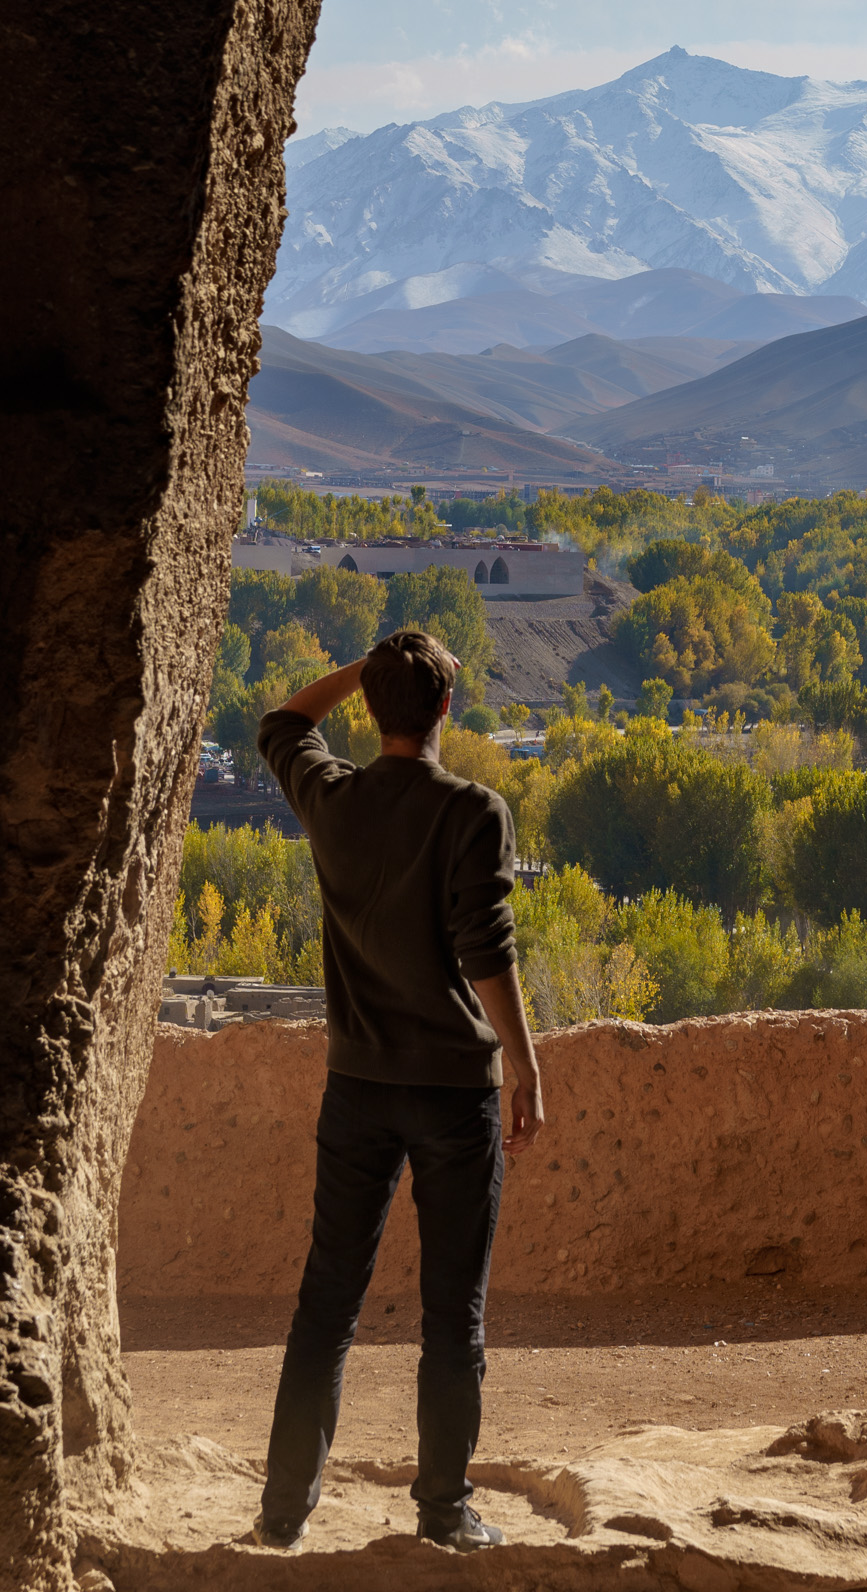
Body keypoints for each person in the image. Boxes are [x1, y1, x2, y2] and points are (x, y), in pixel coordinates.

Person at [249, 628, 544, 1553]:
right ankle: (445, 1511)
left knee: (325, 1302)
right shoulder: (474, 811)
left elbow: (285, 723)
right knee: (453, 1311)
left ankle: (281, 1513)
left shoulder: (332, 799)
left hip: (358, 1086)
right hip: (455, 1092)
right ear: (448, 708)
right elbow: (484, 950)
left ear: (374, 711)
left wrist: (368, 670)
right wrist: (524, 1060)